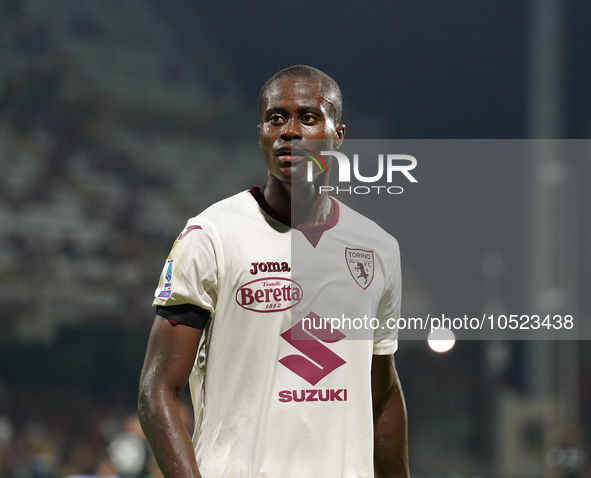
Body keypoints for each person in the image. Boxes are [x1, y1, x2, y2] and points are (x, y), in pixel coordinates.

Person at [138, 65, 409, 478]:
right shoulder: (211, 235)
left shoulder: (378, 248)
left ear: (337, 136)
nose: (289, 131)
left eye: (309, 117)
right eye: (276, 118)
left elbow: (383, 395)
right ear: (261, 133)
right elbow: (157, 390)